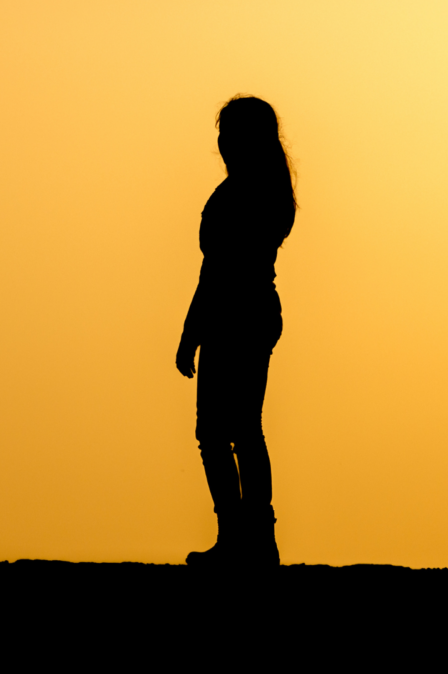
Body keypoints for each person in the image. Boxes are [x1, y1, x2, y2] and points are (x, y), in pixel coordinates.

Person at [176, 95, 296, 568]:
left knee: (223, 430)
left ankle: (243, 540)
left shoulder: (246, 193)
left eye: (229, 132)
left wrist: (192, 331)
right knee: (241, 429)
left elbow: (218, 271)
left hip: (235, 314)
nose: (222, 142)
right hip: (251, 312)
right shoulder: (265, 191)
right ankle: (249, 540)